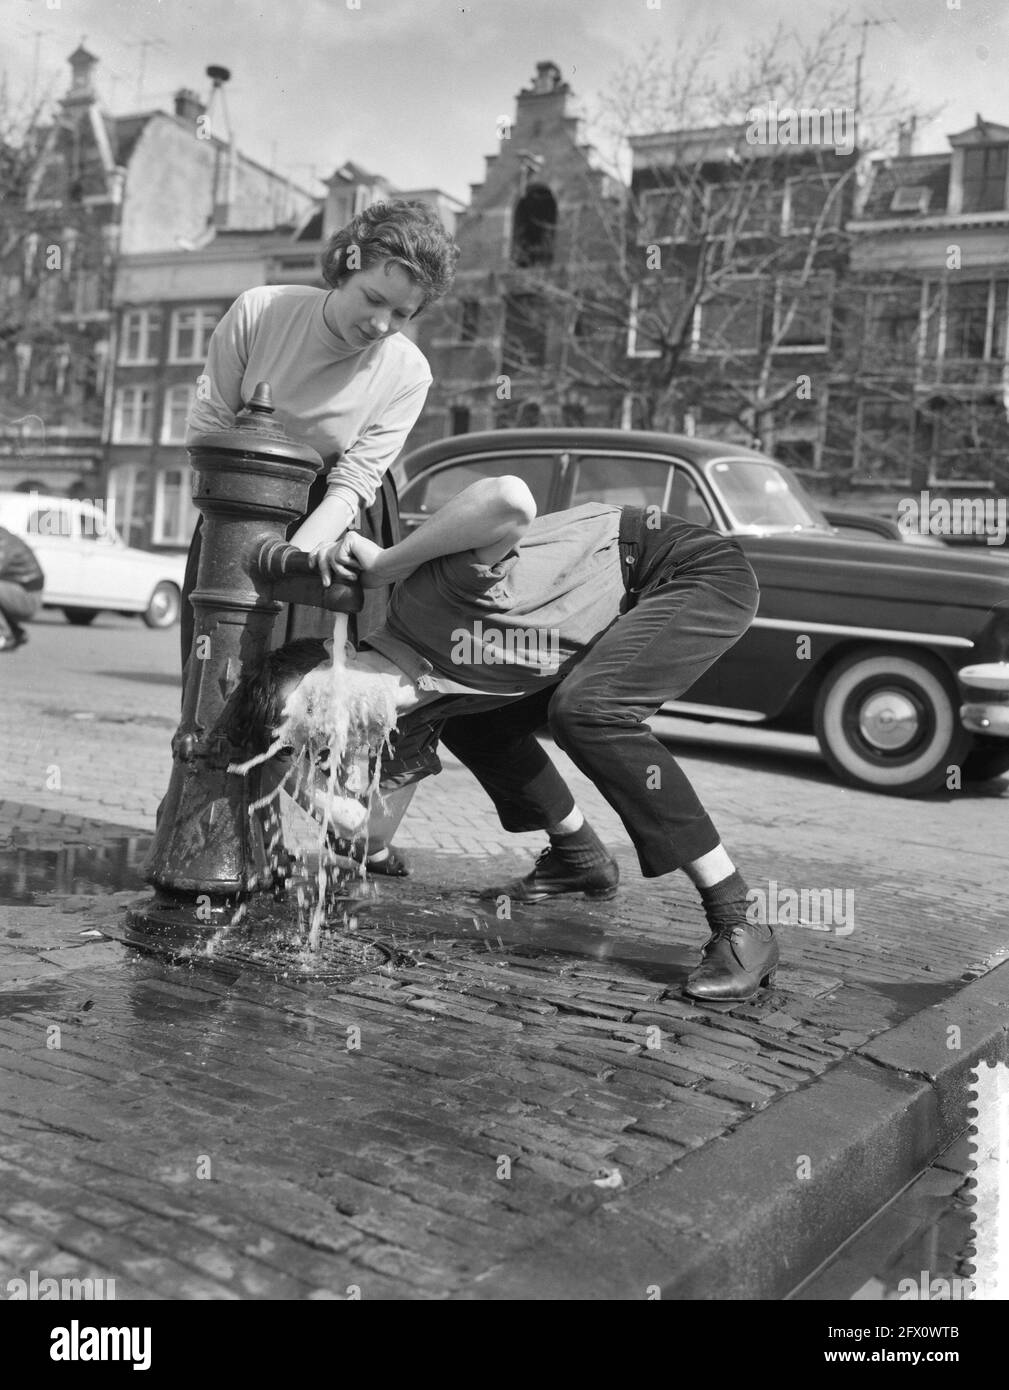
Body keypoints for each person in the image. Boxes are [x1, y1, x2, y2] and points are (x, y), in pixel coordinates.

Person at [233, 476, 779, 1003]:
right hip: (610, 618)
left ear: (340, 655)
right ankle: (578, 857)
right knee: (478, 724)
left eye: (313, 703)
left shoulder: (425, 603)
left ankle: (742, 922)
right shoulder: (410, 715)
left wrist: (384, 564)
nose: (326, 726)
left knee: (585, 712)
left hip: (683, 569)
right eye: (311, 733)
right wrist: (285, 761)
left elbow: (510, 498)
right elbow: (359, 832)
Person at [181, 198, 459, 871]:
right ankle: (248, 842)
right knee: (235, 677)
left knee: (338, 686)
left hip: (338, 523)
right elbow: (211, 424)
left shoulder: (406, 370)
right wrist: (247, 537)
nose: (382, 324)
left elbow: (356, 477)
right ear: (349, 261)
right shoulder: (260, 311)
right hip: (242, 503)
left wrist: (296, 557)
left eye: (402, 315)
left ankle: (361, 829)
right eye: (374, 299)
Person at [0, 525, 44, 652]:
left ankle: (4, 635)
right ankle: (15, 633)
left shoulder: (3, 541)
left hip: (28, 597)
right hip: (19, 593)